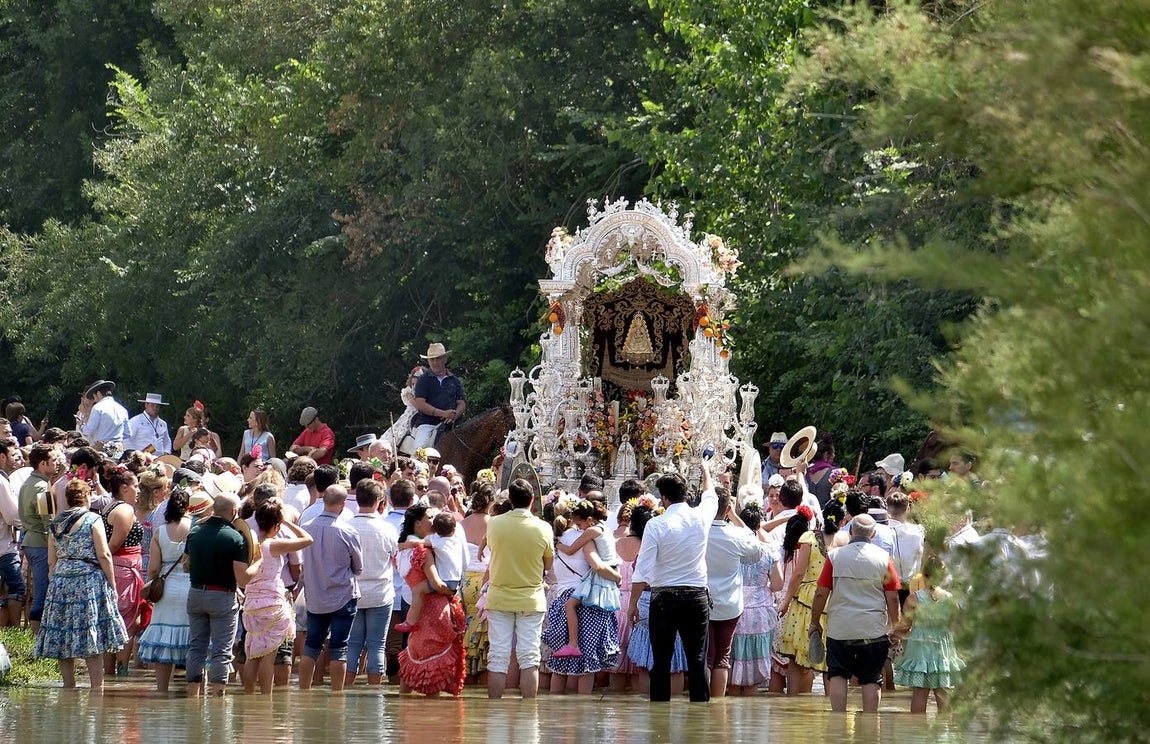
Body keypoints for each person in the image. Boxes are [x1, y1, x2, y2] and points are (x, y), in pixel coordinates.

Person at [629, 465, 719, 703]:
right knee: (697, 661)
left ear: (664, 498)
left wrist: (633, 604)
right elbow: (710, 495)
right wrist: (706, 471)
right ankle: (701, 722)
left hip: (664, 598)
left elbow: (642, 570)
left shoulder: (656, 525)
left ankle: (659, 720)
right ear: (685, 494)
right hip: (696, 597)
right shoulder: (701, 516)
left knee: (661, 662)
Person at [33, 479, 128, 689]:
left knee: (62, 633)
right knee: (90, 631)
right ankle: (97, 688)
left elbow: (51, 560)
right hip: (88, 580)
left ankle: (69, 686)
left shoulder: (56, 523)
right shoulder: (93, 518)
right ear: (86, 498)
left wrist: (55, 580)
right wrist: (112, 584)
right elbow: (103, 554)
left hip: (61, 579)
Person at [809, 514, 902, 712]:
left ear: (850, 532)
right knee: (871, 678)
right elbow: (893, 597)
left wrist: (814, 622)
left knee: (838, 675)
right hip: (873, 631)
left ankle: (838, 722)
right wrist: (896, 626)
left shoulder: (835, 557)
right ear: (873, 534)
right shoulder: (884, 559)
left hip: (840, 630)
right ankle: (870, 727)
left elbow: (820, 594)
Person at [485, 478, 554, 699]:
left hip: (499, 597)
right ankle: (528, 715)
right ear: (533, 500)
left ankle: (494, 710)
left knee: (498, 656)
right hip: (531, 598)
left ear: (511, 500)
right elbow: (548, 565)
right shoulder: (543, 528)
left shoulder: (494, 523)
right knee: (529, 657)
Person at [185, 493, 259, 697]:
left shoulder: (195, 532)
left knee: (196, 647)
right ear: (234, 512)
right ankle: (218, 698)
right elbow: (243, 578)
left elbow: (186, 565)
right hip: (222, 597)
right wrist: (259, 562)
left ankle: (193, 696)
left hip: (195, 593)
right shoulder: (235, 537)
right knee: (221, 651)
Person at [243, 499, 313, 694]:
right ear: (276, 525)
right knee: (269, 655)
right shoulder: (273, 545)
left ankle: (248, 696)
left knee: (253, 654)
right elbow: (308, 539)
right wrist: (287, 522)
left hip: (251, 605)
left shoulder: (249, 544)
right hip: (272, 604)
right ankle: (266, 697)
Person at [396, 506, 466, 696]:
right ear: (418, 523)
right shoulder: (424, 550)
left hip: (416, 609)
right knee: (433, 661)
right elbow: (436, 582)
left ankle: (405, 710)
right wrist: (451, 594)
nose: (433, 520)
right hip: (434, 609)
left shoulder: (405, 550)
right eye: (429, 517)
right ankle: (431, 717)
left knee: (412, 654)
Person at [299, 485, 362, 692]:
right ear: (343, 505)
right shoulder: (348, 530)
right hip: (343, 594)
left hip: (315, 596)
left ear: (323, 499)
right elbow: (358, 567)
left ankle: (304, 691)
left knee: (311, 645)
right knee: (339, 647)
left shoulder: (306, 527)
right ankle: (337, 695)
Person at [775, 501, 843, 694]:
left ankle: (796, 708)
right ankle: (834, 712)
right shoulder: (844, 539)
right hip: (835, 601)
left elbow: (798, 574)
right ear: (842, 520)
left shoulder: (809, 537)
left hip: (806, 601)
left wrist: (786, 601)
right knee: (832, 663)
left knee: (799, 658)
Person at [704, 486, 764, 699]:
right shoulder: (736, 534)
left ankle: (703, 705)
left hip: (703, 601)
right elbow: (756, 551)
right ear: (728, 508)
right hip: (730, 603)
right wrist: (736, 518)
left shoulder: (699, 532)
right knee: (722, 657)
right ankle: (717, 706)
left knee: (707, 657)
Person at [137, 485, 193, 692]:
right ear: (188, 507)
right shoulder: (195, 528)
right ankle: (196, 693)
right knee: (194, 640)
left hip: (166, 589)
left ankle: (162, 691)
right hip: (190, 586)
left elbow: (152, 569)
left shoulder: (160, 532)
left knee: (164, 640)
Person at [551, 499, 622, 660]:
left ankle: (573, 643)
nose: (579, 529)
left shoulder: (591, 531)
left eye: (579, 525)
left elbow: (570, 550)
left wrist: (557, 545)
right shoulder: (606, 529)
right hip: (610, 571)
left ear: (589, 520)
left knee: (569, 604)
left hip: (601, 573)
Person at [345, 479, 398, 686]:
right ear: (378, 501)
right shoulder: (387, 530)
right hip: (380, 593)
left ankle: (344, 690)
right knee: (377, 645)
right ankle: (375, 692)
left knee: (353, 645)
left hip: (353, 592)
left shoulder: (347, 527)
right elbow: (395, 559)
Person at [727, 501, 784, 695]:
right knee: (753, 677)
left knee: (732, 669)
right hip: (761, 613)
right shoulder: (768, 551)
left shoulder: (732, 549)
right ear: (759, 525)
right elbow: (778, 584)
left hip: (734, 609)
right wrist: (762, 586)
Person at [894, 555, 964, 712]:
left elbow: (905, 626)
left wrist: (893, 635)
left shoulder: (914, 598)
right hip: (943, 646)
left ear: (923, 575)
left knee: (920, 691)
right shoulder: (951, 599)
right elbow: (957, 625)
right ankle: (945, 732)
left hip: (920, 646)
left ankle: (917, 731)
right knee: (942, 690)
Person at [100, 466, 146, 676]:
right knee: (127, 622)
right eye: (136, 487)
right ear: (125, 488)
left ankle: (110, 673)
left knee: (115, 620)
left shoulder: (110, 507)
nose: (138, 491)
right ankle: (121, 671)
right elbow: (113, 546)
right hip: (124, 570)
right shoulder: (125, 510)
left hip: (122, 568)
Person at [395, 511, 467, 633]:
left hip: (443, 583)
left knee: (417, 590)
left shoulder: (436, 543)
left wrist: (402, 546)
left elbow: (437, 584)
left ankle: (410, 621)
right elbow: (465, 562)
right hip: (455, 580)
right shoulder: (456, 540)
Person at [17, 443, 57, 632]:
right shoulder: (42, 488)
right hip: (40, 544)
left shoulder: (29, 482)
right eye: (53, 461)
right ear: (43, 464)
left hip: (30, 541)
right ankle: (36, 637)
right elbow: (48, 522)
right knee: (42, 590)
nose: (56, 464)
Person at [459, 483, 494, 678]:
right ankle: (481, 677)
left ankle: (466, 676)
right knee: (482, 630)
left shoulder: (461, 524)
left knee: (466, 624)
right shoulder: (494, 523)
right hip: (484, 580)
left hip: (464, 581)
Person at [410, 343, 466, 451]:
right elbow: (420, 404)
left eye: (438, 359)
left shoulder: (454, 380)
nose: (435, 363)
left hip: (453, 426)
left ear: (445, 359)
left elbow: (461, 402)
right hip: (427, 424)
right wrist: (443, 413)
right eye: (432, 360)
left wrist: (454, 415)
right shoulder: (423, 380)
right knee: (419, 452)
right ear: (428, 361)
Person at [0, 441, 26, 626]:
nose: (18, 460)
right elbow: (11, 516)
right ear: (2, 457)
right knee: (16, 587)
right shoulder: (0, 481)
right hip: (3, 547)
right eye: (13, 455)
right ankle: (14, 631)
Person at [78, 380, 130, 449]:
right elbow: (127, 433)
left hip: (101, 447)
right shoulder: (122, 409)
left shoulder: (97, 407)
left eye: (94, 395)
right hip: (118, 447)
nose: (94, 398)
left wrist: (81, 425)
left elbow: (88, 430)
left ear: (98, 393)